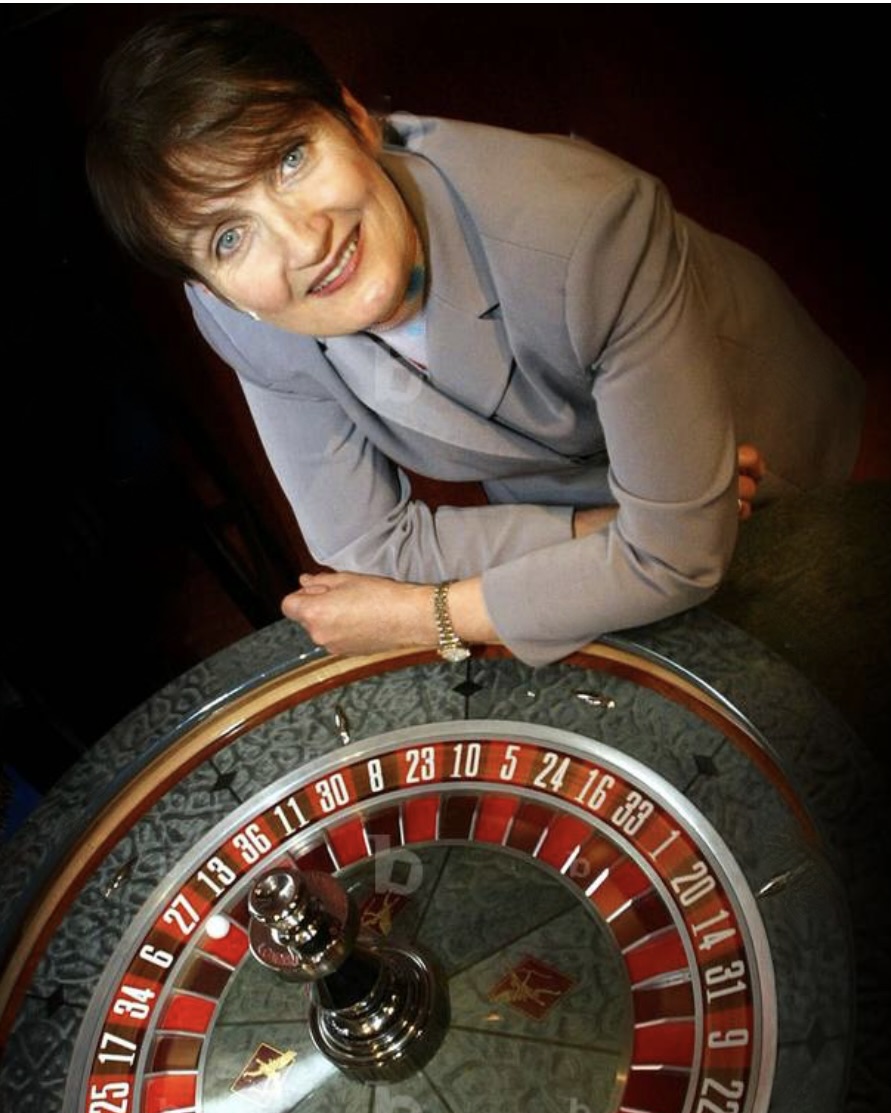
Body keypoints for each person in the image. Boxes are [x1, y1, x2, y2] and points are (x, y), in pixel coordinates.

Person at [86, 11, 864, 668]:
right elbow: (366, 540)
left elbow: (676, 557)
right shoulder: (239, 310)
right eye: (229, 237)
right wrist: (593, 536)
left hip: (740, 421)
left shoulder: (587, 229)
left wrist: (426, 616)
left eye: (290, 158)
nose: (303, 242)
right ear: (206, 287)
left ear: (355, 120)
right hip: (566, 491)